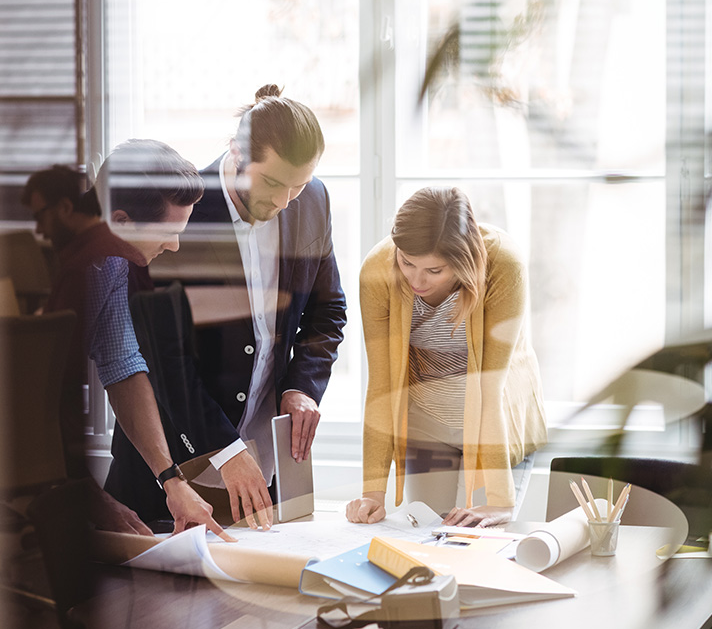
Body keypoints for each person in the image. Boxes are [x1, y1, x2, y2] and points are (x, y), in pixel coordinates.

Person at [165, 84, 347, 530]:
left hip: (268, 472)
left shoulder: (314, 202)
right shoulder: (179, 212)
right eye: (271, 182)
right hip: (179, 468)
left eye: (298, 185)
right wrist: (225, 448)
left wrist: (302, 386)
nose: (285, 201)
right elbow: (164, 362)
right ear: (236, 153)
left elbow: (328, 310)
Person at [22, 160, 232, 541]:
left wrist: (172, 481)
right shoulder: (84, 271)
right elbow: (38, 403)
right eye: (168, 231)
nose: (175, 244)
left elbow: (123, 366)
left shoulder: (117, 263)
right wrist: (92, 499)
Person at [346, 186, 546, 527]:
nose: (416, 280)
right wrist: (373, 492)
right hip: (427, 423)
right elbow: (382, 385)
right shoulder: (377, 270)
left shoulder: (504, 264)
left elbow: (489, 387)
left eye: (434, 271)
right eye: (407, 262)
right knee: (426, 538)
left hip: (495, 421)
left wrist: (500, 502)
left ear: (464, 260)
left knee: (482, 544)